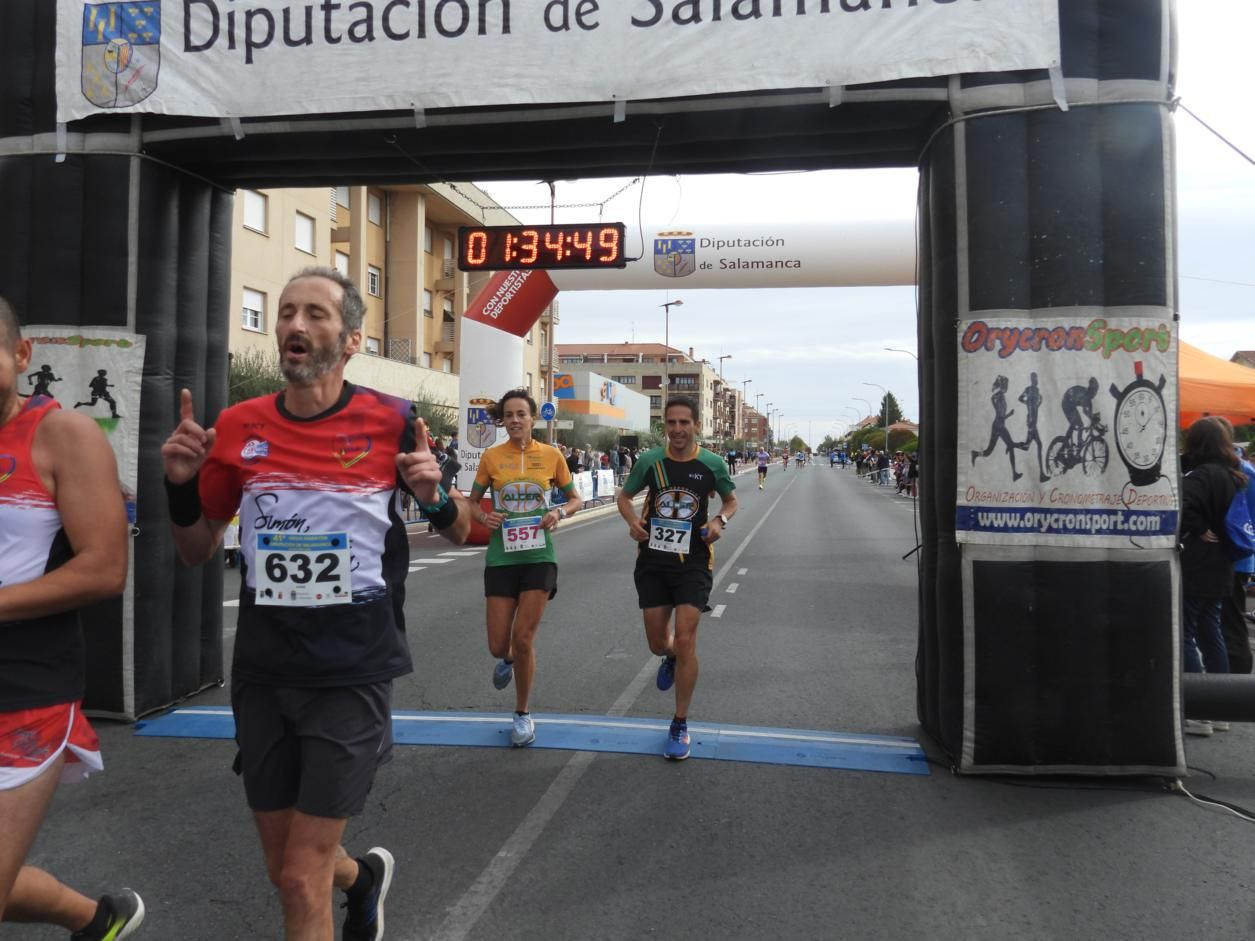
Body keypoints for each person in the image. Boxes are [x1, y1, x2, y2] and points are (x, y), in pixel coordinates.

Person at [161, 267, 470, 940]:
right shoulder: (238, 425)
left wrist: (435, 498)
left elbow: (463, 531)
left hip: (351, 668)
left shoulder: (393, 421)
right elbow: (195, 549)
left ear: (352, 339)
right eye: (285, 312)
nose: (294, 325)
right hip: (264, 668)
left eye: (314, 314)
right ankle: (364, 880)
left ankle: (349, 884)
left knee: (301, 877)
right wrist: (179, 488)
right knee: (286, 869)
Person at [0, 298, 144, 939]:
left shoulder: (63, 435)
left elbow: (104, 568)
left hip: (23, 694)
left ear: (21, 355)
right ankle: (97, 920)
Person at [617, 396, 737, 760]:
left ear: (696, 425)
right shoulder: (650, 462)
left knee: (686, 640)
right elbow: (624, 497)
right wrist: (633, 521)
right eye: (671, 422)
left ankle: (680, 723)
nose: (678, 429)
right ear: (665, 426)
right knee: (659, 643)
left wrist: (719, 521)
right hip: (653, 562)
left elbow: (731, 501)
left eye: (685, 422)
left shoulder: (712, 463)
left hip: (693, 563)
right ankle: (667, 656)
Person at [468, 389, 582, 747]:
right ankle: (508, 659)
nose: (515, 420)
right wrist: (484, 517)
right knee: (498, 645)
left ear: (533, 418)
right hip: (501, 558)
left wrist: (559, 512)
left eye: (521, 414)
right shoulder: (492, 457)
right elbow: (472, 502)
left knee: (523, 638)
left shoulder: (551, 455)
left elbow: (575, 499)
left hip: (538, 557)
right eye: (509, 415)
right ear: (503, 420)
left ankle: (522, 714)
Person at [1179, 417, 1244, 736]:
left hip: (1198, 563)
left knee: (1186, 632)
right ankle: (1221, 710)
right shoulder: (1234, 475)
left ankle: (1199, 712)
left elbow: (1180, 506)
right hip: (1223, 562)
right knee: (1211, 630)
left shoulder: (1201, 475)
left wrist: (1198, 527)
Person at [970, 375, 1022, 481]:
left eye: (1007, 385)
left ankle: (975, 453)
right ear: (1003, 386)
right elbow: (1001, 415)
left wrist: (1007, 414)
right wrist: (1009, 414)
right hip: (1000, 426)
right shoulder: (1000, 396)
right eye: (1006, 385)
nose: (1007, 387)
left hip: (997, 425)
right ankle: (1014, 474)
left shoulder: (1000, 396)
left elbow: (999, 413)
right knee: (1011, 446)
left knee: (989, 451)